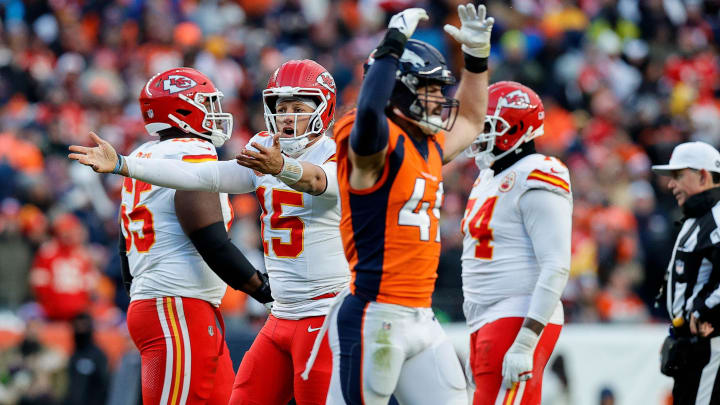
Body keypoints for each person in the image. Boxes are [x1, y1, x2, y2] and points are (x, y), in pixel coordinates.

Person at [69, 60, 349, 405]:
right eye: (283, 107)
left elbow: (318, 180)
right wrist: (121, 164)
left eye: (299, 108)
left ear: (324, 109)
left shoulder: (338, 155)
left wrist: (282, 167)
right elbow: (203, 177)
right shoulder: (263, 152)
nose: (288, 116)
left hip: (324, 309)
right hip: (281, 314)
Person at [319, 4, 493, 404]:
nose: (438, 100)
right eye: (428, 89)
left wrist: (477, 59)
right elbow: (367, 113)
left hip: (422, 315)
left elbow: (470, 118)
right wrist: (390, 45)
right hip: (375, 314)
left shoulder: (426, 143)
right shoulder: (374, 143)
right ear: (397, 88)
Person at [461, 81, 571, 404]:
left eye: (488, 125)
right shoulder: (486, 178)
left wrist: (526, 340)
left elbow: (556, 264)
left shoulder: (536, 172)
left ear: (516, 128)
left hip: (518, 312)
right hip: (485, 317)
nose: (480, 133)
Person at [652, 141, 720, 405]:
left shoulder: (715, 217)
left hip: (711, 344)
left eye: (678, 176)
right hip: (693, 345)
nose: (671, 184)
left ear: (703, 175)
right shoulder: (697, 217)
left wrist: (703, 310)